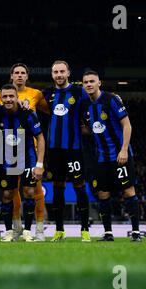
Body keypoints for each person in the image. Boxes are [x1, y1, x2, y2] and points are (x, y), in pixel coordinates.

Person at [81, 70, 141, 242]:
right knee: (103, 193)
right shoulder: (86, 106)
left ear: (99, 83)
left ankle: (136, 232)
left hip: (119, 155)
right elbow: (92, 129)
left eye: (92, 81)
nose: (89, 84)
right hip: (101, 158)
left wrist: (123, 149)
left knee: (128, 190)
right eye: (86, 82)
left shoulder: (111, 99)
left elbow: (127, 125)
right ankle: (108, 233)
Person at [36, 60, 91, 242]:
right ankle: (59, 230)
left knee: (79, 187)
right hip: (54, 151)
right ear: (52, 75)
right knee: (58, 189)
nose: (58, 75)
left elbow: (90, 107)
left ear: (68, 73)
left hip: (73, 149)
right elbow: (38, 106)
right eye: (55, 72)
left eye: (62, 71)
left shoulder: (78, 92)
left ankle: (85, 230)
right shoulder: (48, 93)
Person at [0, 63, 48, 241]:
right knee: (8, 194)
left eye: (11, 96)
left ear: (17, 97)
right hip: (6, 159)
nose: (8, 99)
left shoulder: (28, 112)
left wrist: (39, 164)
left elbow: (40, 137)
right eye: (5, 97)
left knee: (30, 192)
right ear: (1, 98)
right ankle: (10, 231)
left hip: (28, 157)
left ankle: (29, 231)